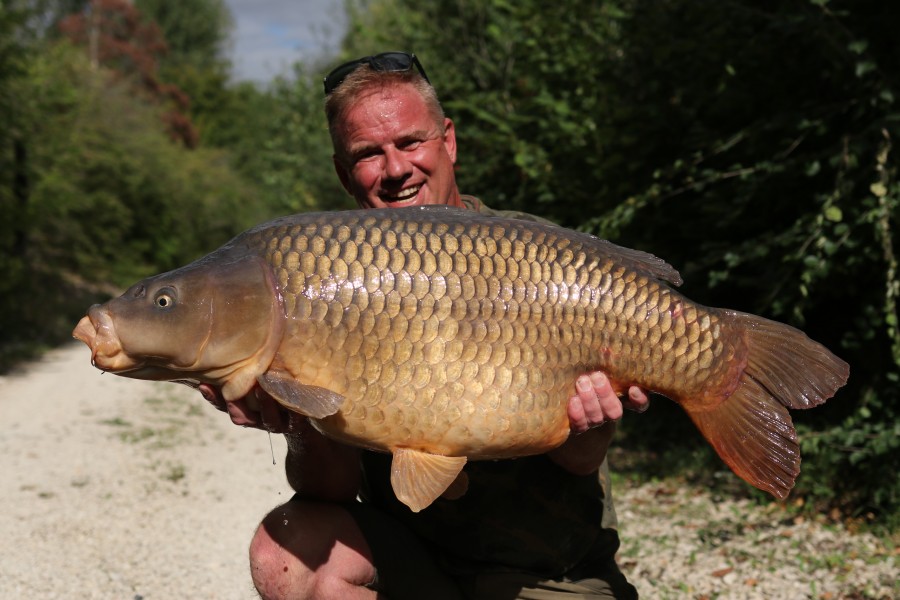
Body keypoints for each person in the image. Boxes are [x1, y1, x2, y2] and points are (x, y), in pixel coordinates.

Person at [201, 52, 647, 599]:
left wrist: (592, 427)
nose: (395, 170)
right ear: (344, 174)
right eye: (368, 153)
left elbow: (580, 462)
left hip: (547, 574)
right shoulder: (327, 281)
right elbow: (329, 488)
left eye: (410, 142)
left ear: (448, 142)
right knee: (290, 551)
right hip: (414, 567)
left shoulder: (541, 256)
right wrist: (294, 415)